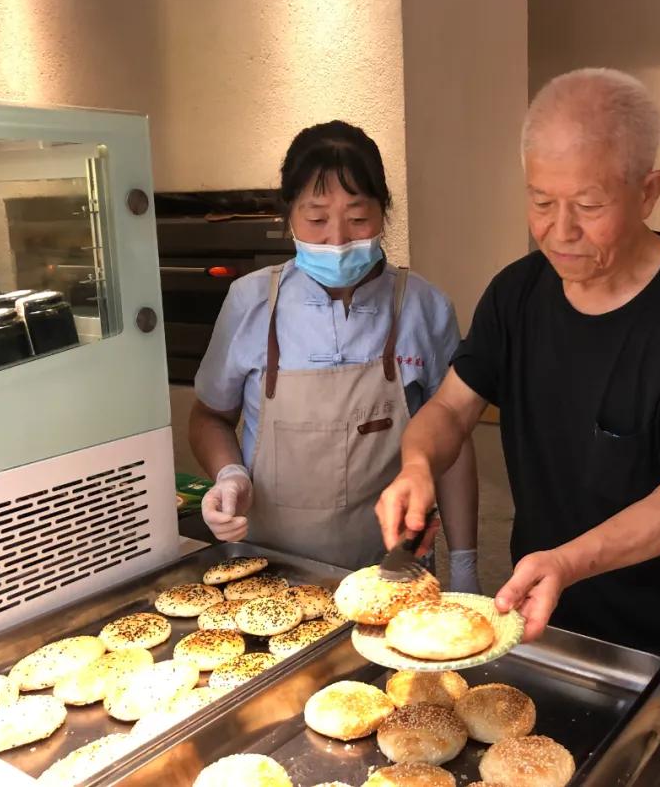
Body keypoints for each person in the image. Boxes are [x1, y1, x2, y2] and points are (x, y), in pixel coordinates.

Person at [375, 69, 660, 668]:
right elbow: (452, 406)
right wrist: (417, 465)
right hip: (545, 629)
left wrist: (567, 560)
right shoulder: (516, 294)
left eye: (589, 205)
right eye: (540, 202)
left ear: (649, 191)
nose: (560, 232)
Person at [191, 120, 479, 589]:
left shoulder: (424, 307)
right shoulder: (251, 303)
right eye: (318, 218)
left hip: (391, 568)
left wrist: (465, 565)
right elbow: (208, 416)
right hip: (269, 570)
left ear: (384, 213)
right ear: (289, 217)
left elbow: (454, 439)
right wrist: (228, 475)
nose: (339, 238)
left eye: (359, 218)